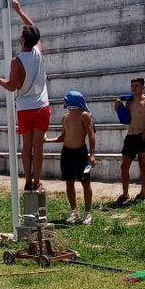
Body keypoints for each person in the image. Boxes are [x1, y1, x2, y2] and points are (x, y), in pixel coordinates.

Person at [0, 0, 50, 192]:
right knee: (38, 146)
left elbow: (11, 86)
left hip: (25, 107)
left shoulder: (17, 61)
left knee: (27, 147)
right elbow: (32, 27)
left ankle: (28, 180)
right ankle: (38, 180)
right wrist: (20, 10)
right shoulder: (39, 52)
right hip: (41, 105)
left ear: (23, 40)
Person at [45, 91, 97, 225]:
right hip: (67, 153)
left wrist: (92, 154)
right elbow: (62, 137)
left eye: (66, 99)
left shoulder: (85, 115)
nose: (64, 102)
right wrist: (47, 140)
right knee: (69, 182)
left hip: (80, 153)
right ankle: (74, 211)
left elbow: (91, 135)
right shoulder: (65, 117)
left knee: (86, 183)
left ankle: (88, 213)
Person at [113, 78, 145, 205]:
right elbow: (125, 119)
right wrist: (117, 108)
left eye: (137, 85)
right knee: (124, 166)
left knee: (143, 165)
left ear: (142, 88)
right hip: (130, 136)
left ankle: (143, 193)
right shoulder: (128, 102)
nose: (134, 88)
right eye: (132, 86)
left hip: (142, 136)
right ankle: (125, 194)